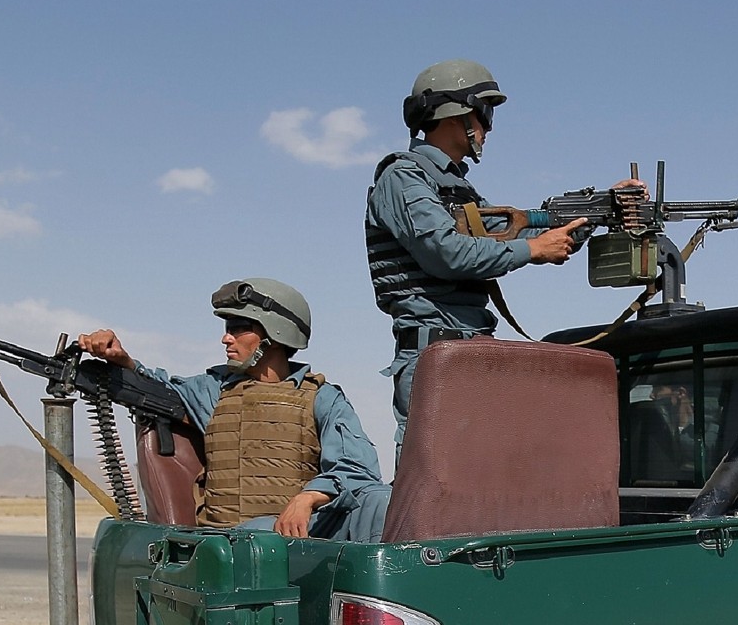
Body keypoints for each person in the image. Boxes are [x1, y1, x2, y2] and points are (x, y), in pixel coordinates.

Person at [365, 58, 646, 462]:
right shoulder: (403, 177)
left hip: (470, 353)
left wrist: (597, 210)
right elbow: (445, 253)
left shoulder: (455, 188)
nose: (489, 127)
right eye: (486, 112)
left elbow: (517, 230)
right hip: (435, 356)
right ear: (458, 113)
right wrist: (533, 251)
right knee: (433, 486)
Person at [78, 277, 390, 543]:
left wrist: (307, 498)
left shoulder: (321, 398)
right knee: (262, 532)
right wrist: (121, 359)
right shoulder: (214, 390)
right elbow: (153, 387)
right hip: (234, 542)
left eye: (239, 328)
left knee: (383, 502)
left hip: (300, 536)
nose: (226, 337)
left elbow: (358, 469)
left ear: (275, 334)